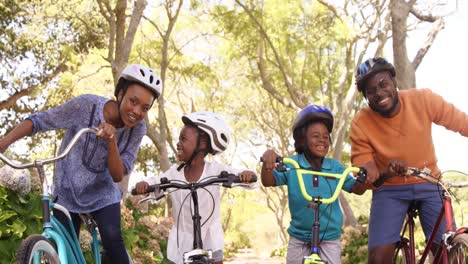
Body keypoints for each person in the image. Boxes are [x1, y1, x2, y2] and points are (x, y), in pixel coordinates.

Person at [0, 64, 162, 263]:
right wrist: (3, 143)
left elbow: (118, 174)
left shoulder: (138, 129)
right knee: (64, 250)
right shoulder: (87, 106)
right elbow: (40, 121)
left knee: (112, 239)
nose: (137, 112)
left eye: (145, 108)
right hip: (68, 187)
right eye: (133, 101)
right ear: (120, 94)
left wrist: (111, 141)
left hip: (103, 192)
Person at [350, 57, 468, 263]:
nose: (379, 93)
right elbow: (368, 171)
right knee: (378, 260)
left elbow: (461, 122)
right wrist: (385, 171)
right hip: (389, 189)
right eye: (370, 91)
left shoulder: (423, 99)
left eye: (383, 84)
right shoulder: (361, 122)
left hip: (430, 183)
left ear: (394, 82)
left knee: (446, 252)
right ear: (366, 96)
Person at [134, 111, 256, 264]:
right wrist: (145, 185)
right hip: (181, 243)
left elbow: (244, 177)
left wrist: (246, 175)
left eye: (183, 139)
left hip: (211, 239)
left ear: (203, 144)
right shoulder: (174, 174)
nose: (178, 143)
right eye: (179, 139)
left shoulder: (215, 170)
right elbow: (156, 181)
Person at [261, 105, 367, 264]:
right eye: (315, 136)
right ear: (302, 139)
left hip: (329, 238)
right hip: (299, 237)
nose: (322, 140)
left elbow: (356, 189)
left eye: (326, 136)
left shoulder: (335, 167)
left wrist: (364, 179)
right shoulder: (293, 164)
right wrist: (267, 162)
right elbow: (268, 181)